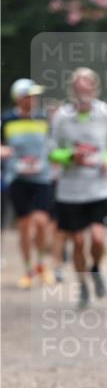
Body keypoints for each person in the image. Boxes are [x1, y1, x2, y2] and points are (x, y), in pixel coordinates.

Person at [49, 68, 107, 309]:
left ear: (95, 88)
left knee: (98, 239)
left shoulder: (105, 113)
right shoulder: (61, 117)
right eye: (79, 87)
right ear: (73, 90)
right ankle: (82, 285)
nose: (83, 91)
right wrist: (70, 155)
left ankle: (96, 268)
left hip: (98, 188)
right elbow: (51, 150)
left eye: (87, 86)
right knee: (78, 242)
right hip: (70, 191)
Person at [0, 78, 55, 287]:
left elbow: (52, 143)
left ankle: (41, 264)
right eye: (29, 96)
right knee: (24, 226)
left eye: (34, 96)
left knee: (41, 222)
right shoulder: (7, 120)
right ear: (20, 98)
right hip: (17, 178)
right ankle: (27, 269)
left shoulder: (43, 119)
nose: (33, 100)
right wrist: (5, 152)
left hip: (41, 178)